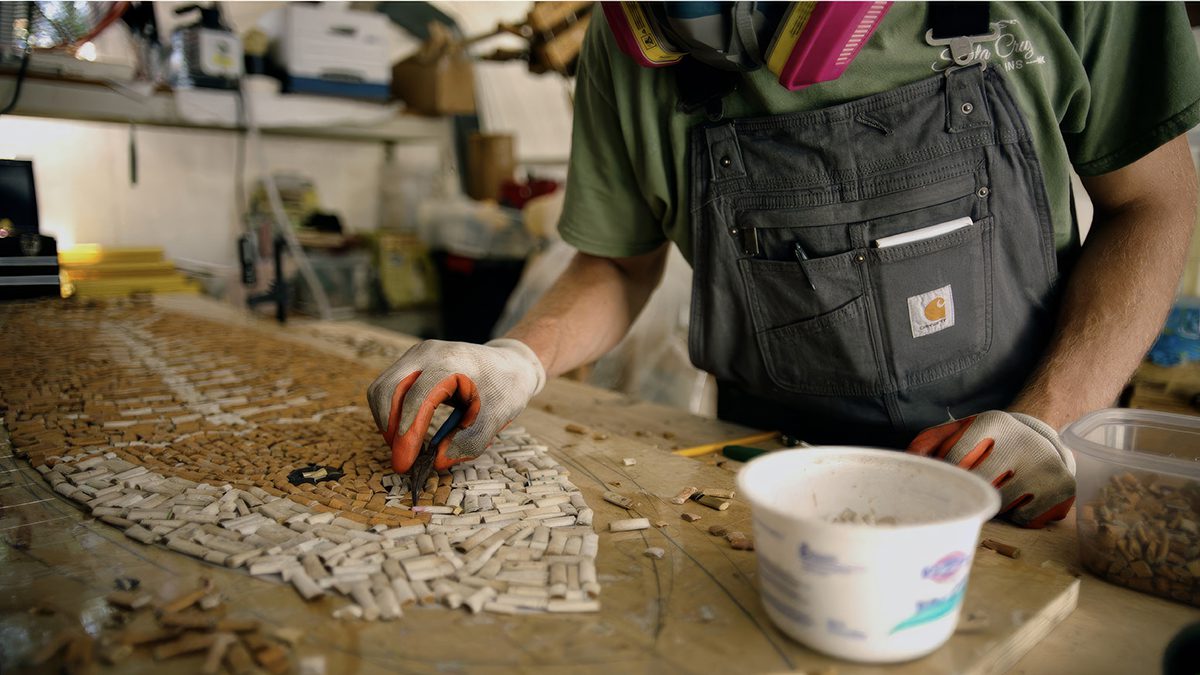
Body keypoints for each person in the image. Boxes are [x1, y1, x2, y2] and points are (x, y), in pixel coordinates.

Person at [369, 2, 1200, 529]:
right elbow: (619, 266)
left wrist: (1049, 416)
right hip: (756, 495)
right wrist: (517, 357)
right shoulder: (629, 48)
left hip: (1018, 487)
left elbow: (1154, 203)